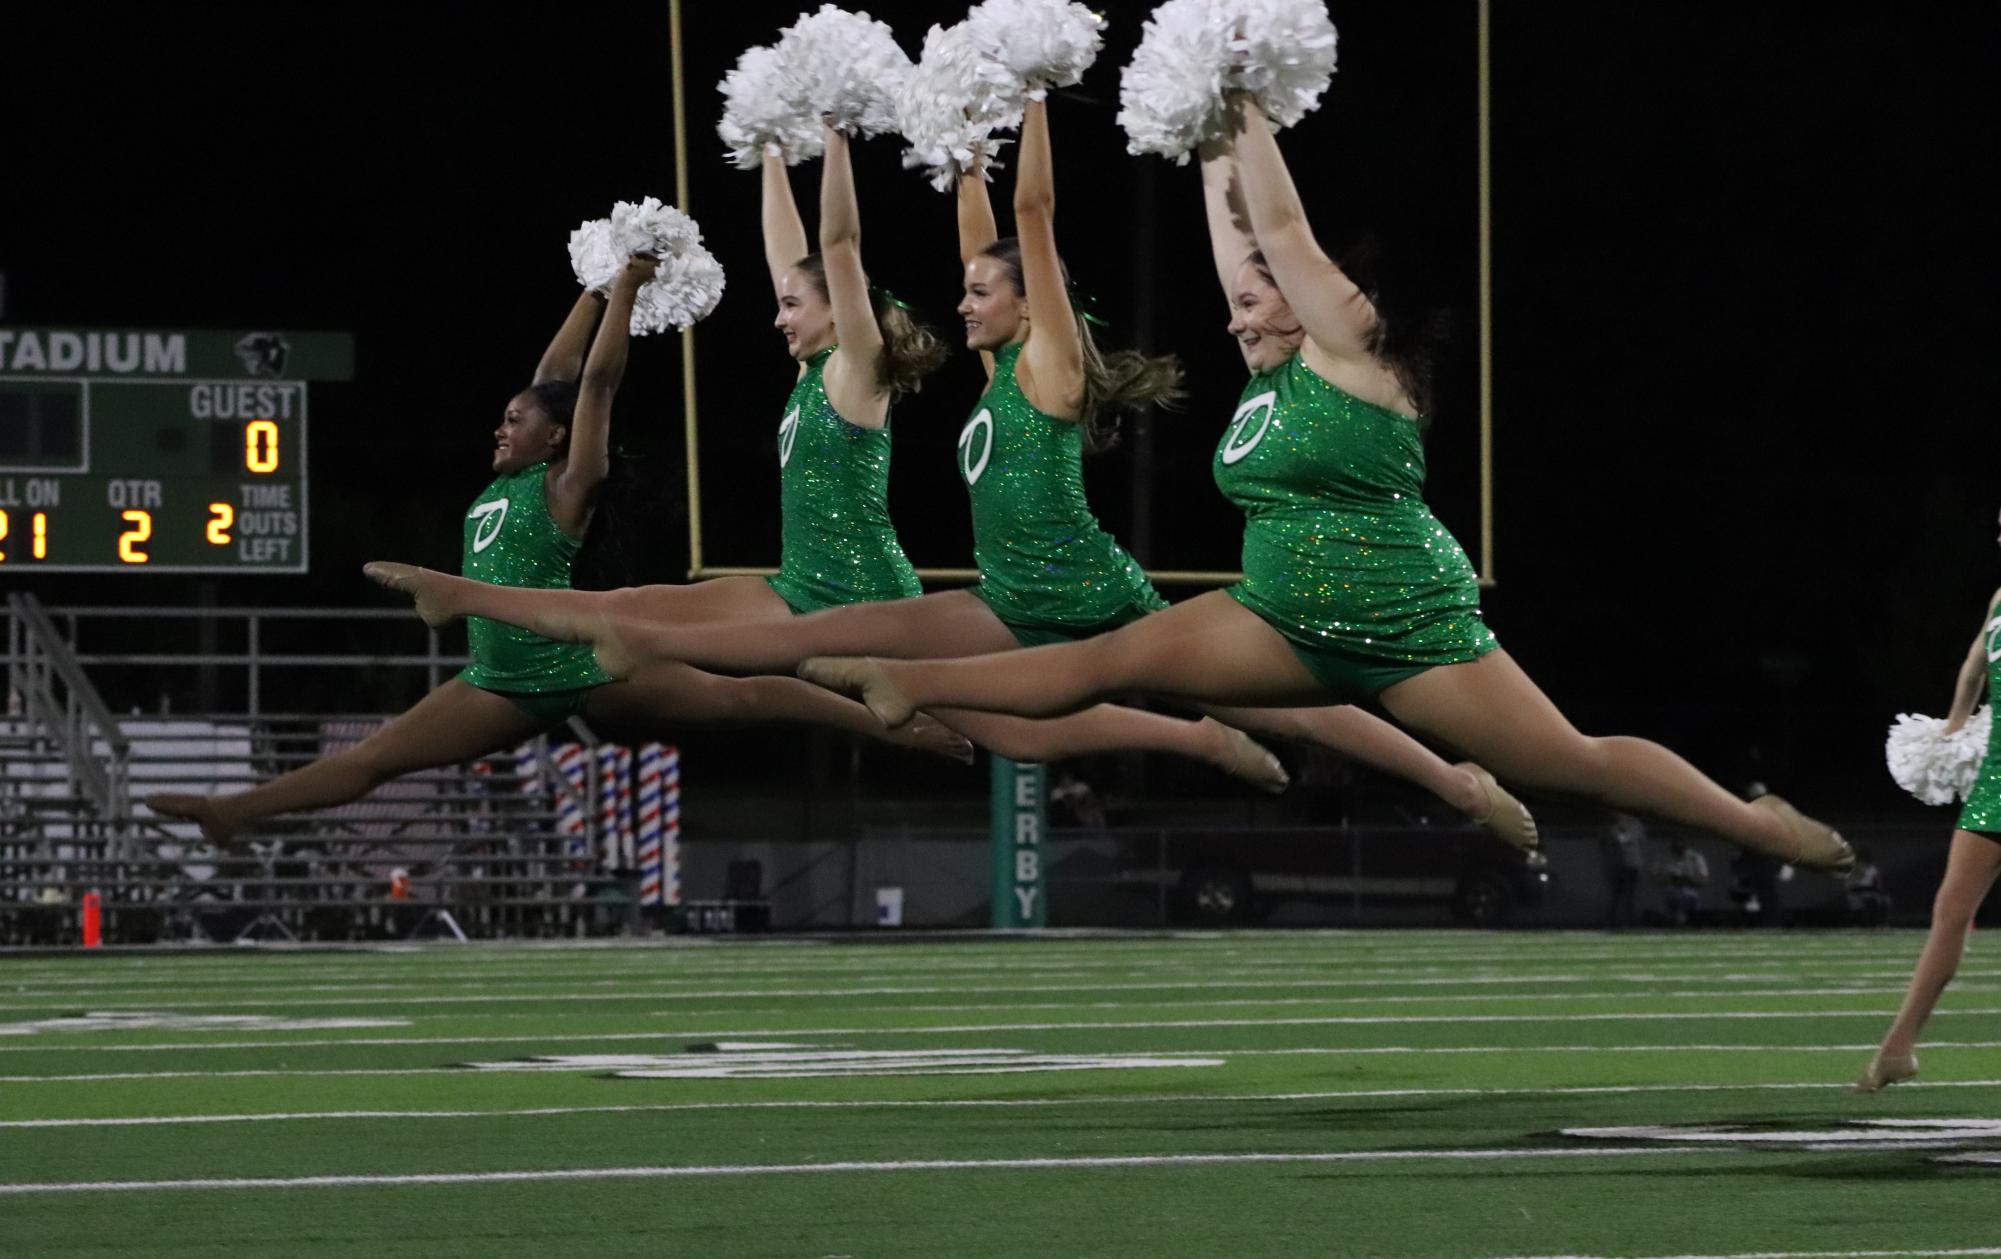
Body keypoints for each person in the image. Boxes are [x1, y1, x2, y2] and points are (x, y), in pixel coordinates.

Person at [368, 103, 1535, 843]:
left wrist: (1022, 101)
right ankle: (1224, 745)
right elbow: (907, 236)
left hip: (1079, 590)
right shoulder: (984, 385)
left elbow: (1015, 220)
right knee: (1020, 729)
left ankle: (1452, 780)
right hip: (1009, 595)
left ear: (1030, 303)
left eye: (987, 289)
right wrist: (812, 142)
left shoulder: (1050, 365)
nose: (966, 296)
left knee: (1314, 705)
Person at [794, 91, 1851, 878]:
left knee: (1572, 760)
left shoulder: (1355, 356)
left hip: (1410, 624)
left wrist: (1250, 95)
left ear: (1316, 303)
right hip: (1282, 617)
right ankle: (907, 680)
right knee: (1101, 657)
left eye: (1257, 302)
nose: (1237, 313)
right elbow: (1241, 234)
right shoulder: (1273, 377)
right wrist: (1204, 115)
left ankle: (1757, 824)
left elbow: (1282, 235)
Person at [147, 255, 965, 848]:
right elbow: (556, 375)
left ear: (556, 439)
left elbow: (593, 387)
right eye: (503, 418)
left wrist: (631, 294)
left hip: (569, 669)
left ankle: (898, 722)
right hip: (501, 677)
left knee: (750, 697)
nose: (501, 427)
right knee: (373, 759)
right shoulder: (507, 480)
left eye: (516, 421)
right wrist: (597, 282)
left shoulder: (567, 482)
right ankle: (232, 813)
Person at [1856, 566, 2001, 1091]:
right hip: (1997, 778)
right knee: (1949, 911)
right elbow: (1974, 665)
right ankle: (1897, 1048)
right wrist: (1952, 731)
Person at [1600, 813, 1645, 929]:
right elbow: (1617, 839)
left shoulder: (1636, 825)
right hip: (1617, 865)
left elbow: (1638, 840)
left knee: (1629, 895)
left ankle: (1628, 921)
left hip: (1631, 865)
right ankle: (1612, 921)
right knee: (1616, 895)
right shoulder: (1612, 827)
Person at [1661, 835, 1710, 927]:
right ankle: (1674, 922)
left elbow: (1704, 879)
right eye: (1675, 848)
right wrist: (1672, 879)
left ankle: (1684, 921)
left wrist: (1688, 879)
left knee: (1684, 897)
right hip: (1672, 892)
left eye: (1680, 848)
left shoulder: (1695, 857)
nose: (1677, 851)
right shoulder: (1667, 858)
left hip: (1690, 892)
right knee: (1673, 896)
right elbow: (1659, 879)